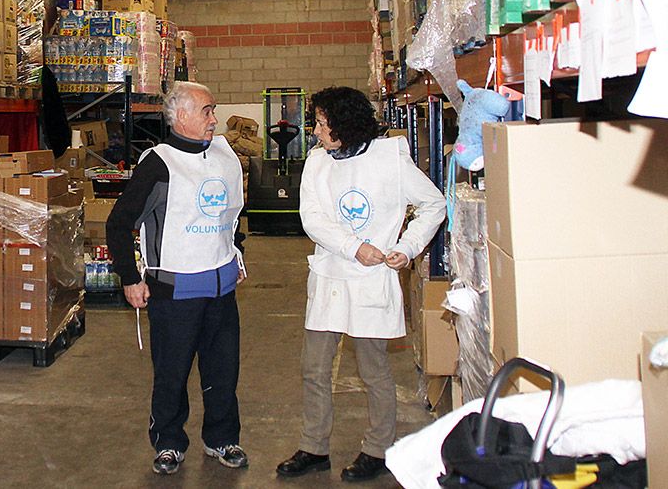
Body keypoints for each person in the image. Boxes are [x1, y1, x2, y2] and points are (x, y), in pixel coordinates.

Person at [275, 86, 445, 482]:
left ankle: (378, 449)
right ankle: (314, 446)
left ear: (345, 125)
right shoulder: (317, 163)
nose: (315, 131)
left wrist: (407, 247)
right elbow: (312, 218)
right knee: (314, 368)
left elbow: (433, 204)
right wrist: (355, 246)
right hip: (330, 275)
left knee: (374, 370)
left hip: (372, 280)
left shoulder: (390, 160)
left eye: (321, 123)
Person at [106, 81, 249, 476]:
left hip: (221, 290)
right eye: (206, 111)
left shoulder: (224, 156)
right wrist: (131, 278)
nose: (213, 119)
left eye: (213, 110)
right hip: (175, 292)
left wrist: (237, 253)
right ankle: (168, 441)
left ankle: (222, 437)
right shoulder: (159, 164)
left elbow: (231, 218)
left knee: (223, 370)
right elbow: (119, 224)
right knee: (171, 373)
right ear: (181, 116)